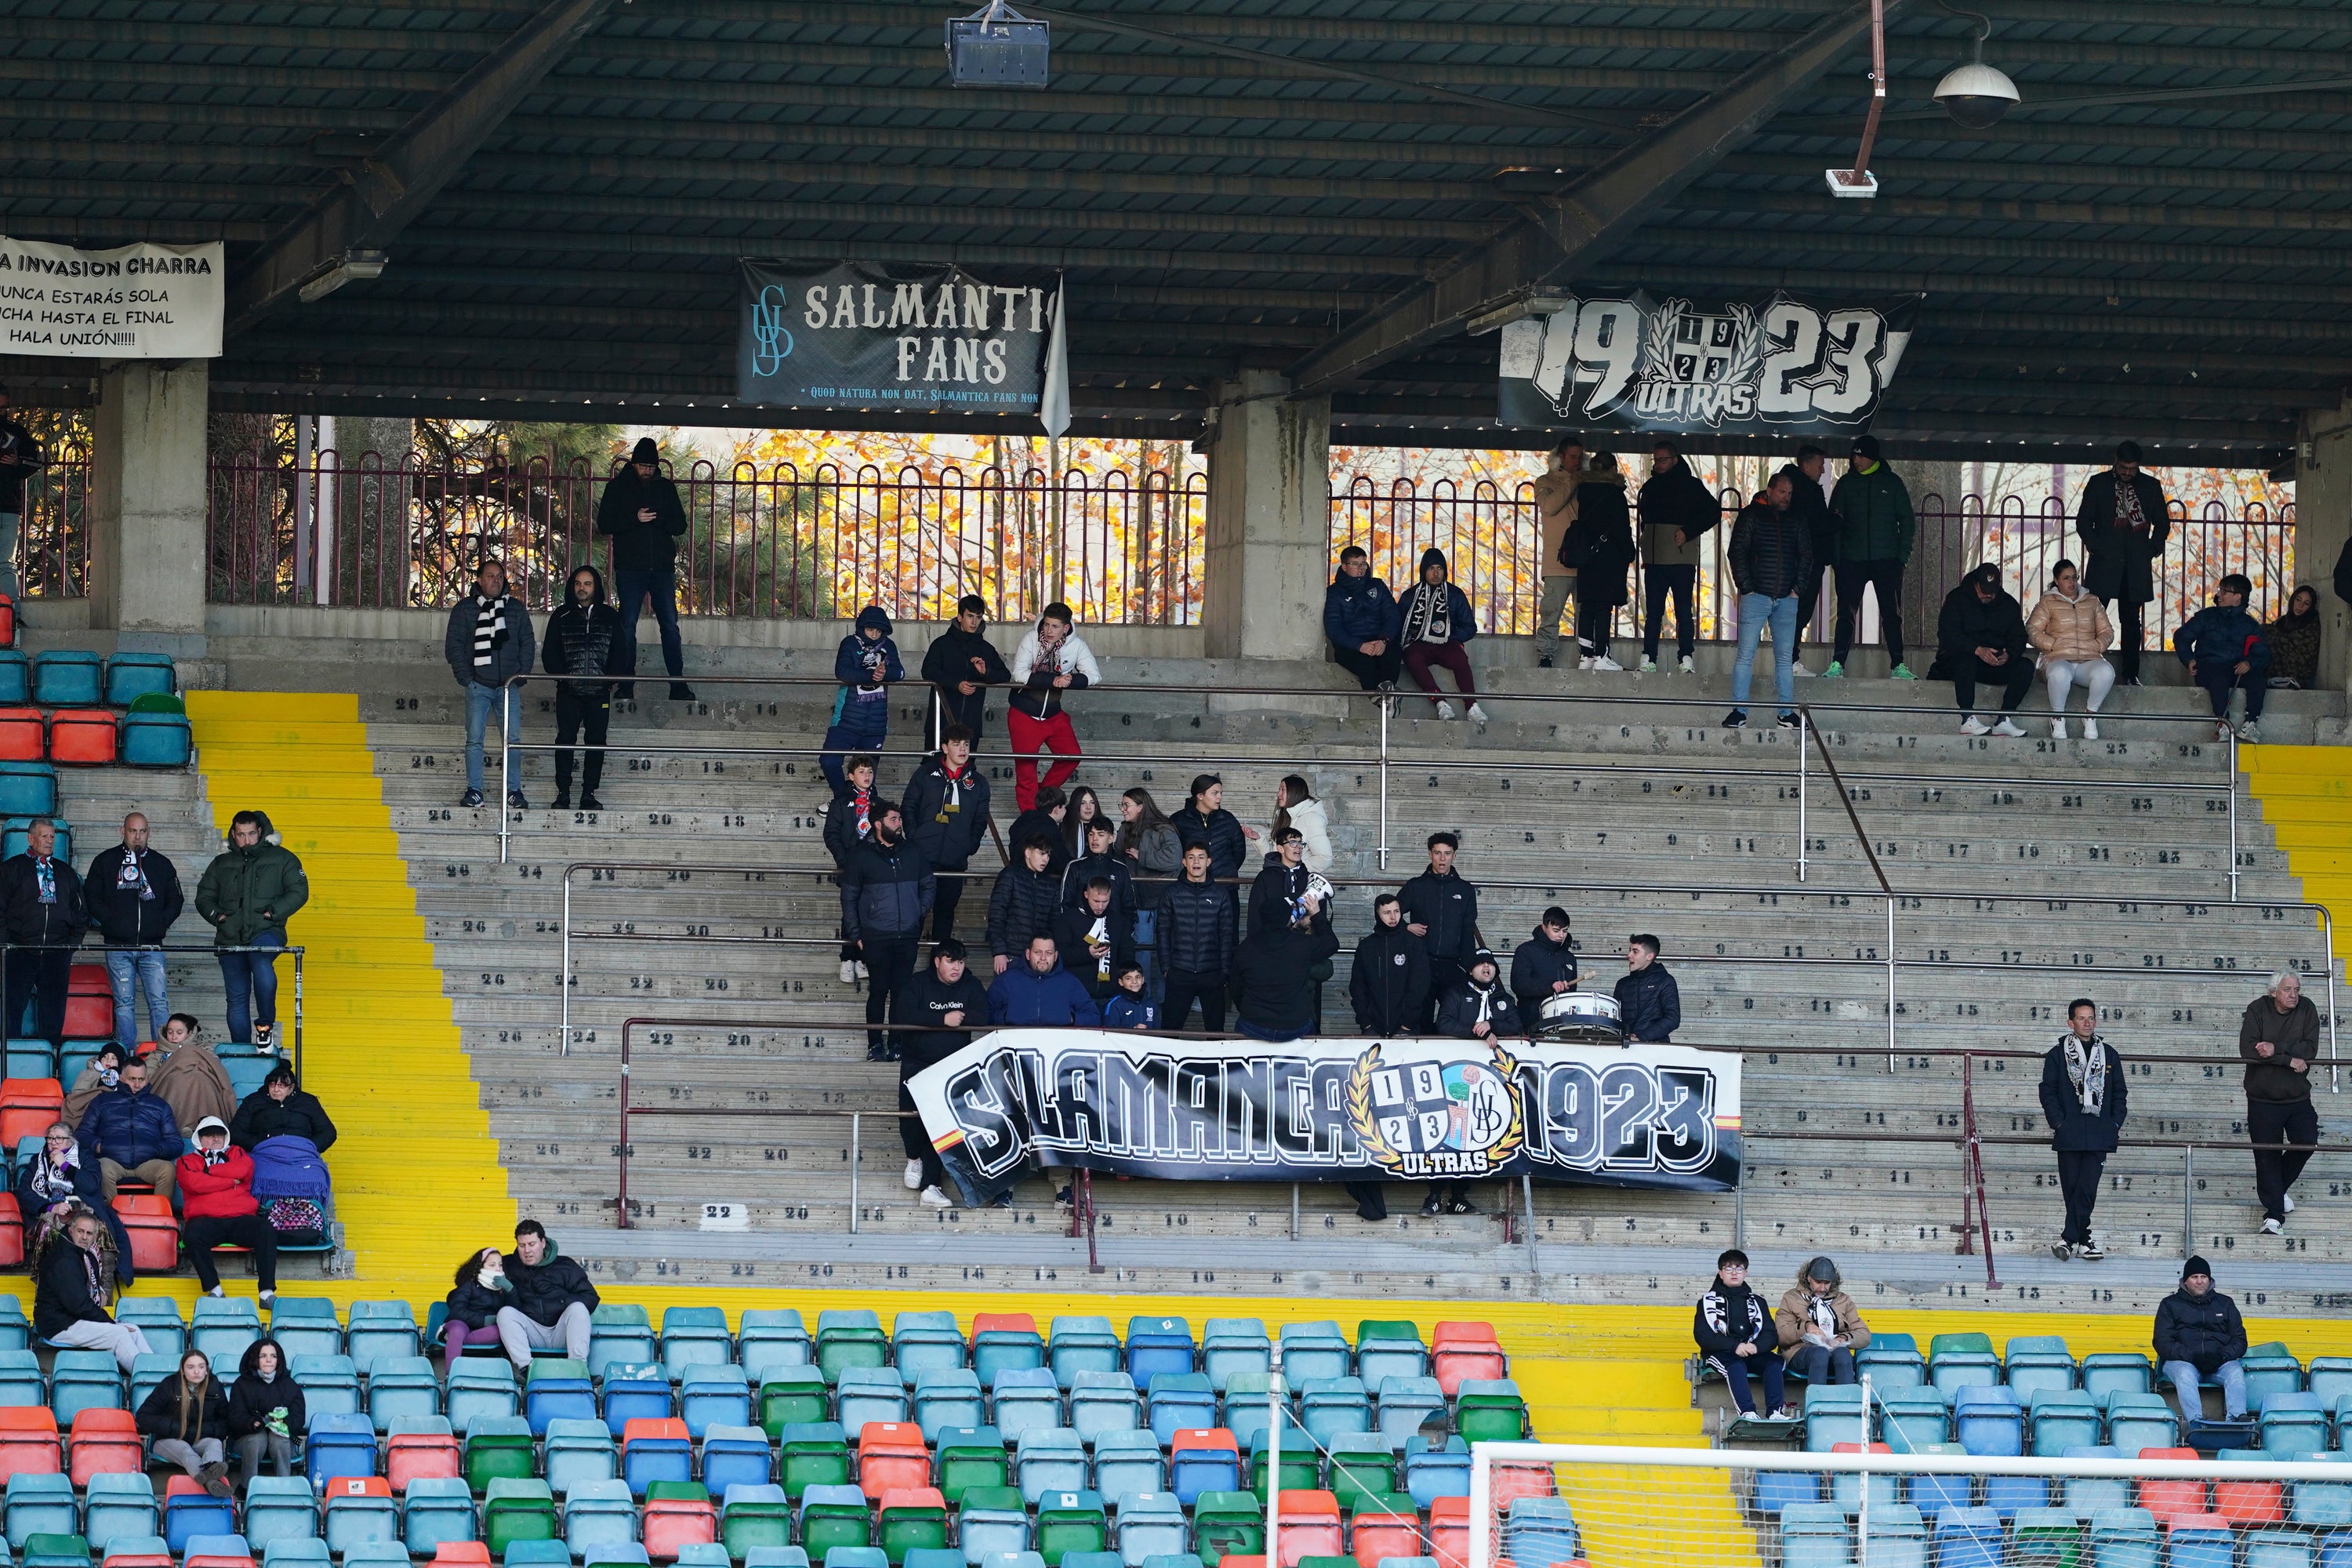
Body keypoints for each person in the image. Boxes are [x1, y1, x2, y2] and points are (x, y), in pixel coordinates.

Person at [196, 808, 309, 1051]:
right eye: (240, 834)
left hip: (267, 931)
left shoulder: (283, 858)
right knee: (236, 999)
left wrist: (274, 913)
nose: (246, 840)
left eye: (251, 834)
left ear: (260, 832)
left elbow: (300, 891)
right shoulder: (222, 862)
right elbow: (204, 896)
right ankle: (241, 1051)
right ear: (233, 834)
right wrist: (219, 917)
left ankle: (265, 1028)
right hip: (230, 936)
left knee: (261, 962)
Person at [891, 938, 990, 1210]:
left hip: (951, 1068)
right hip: (916, 1063)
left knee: (941, 1126)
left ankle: (930, 1186)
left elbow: (984, 1014)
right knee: (910, 1120)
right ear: (937, 962)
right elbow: (903, 1014)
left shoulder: (970, 984)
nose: (956, 968)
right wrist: (942, 1020)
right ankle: (914, 1158)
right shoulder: (918, 983)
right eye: (950, 961)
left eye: (960, 962)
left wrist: (962, 1018)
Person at [595, 437, 694, 702]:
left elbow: (680, 525)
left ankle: (678, 683)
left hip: (662, 568)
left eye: (651, 466)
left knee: (670, 626)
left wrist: (658, 519)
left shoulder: (665, 488)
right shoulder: (618, 488)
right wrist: (634, 519)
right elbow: (604, 523)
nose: (647, 471)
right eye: (642, 466)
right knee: (626, 624)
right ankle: (626, 683)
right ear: (633, 464)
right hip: (630, 568)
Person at [840, 801, 933, 1063]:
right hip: (876, 936)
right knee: (879, 991)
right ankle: (875, 1046)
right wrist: (856, 933)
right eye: (894, 819)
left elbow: (928, 885)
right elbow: (848, 897)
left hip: (907, 934)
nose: (899, 823)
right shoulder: (861, 855)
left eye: (900, 819)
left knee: (902, 992)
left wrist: (919, 910)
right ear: (878, 824)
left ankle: (896, 1043)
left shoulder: (913, 852)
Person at [1722, 470, 1814, 730]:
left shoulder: (1796, 517)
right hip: (1757, 596)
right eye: (1783, 492)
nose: (1787, 498)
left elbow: (1807, 555)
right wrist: (1747, 588)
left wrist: (1797, 589)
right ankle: (1739, 712)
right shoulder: (1751, 515)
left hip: (1786, 598)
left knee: (1784, 659)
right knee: (1746, 656)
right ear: (1770, 490)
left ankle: (1785, 713)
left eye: (1790, 493)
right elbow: (1736, 553)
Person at [2074, 442, 2172, 687]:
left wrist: (2151, 549)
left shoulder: (2150, 486)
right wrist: (2097, 547)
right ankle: (2085, 668)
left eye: (2132, 468)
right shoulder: (2099, 483)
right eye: (2123, 468)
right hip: (2104, 564)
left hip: (2136, 566)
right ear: (2115, 462)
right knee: (2093, 618)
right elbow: (2084, 521)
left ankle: (2130, 675)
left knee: (2131, 622)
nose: (2128, 473)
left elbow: (2163, 523)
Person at [442, 557, 536, 811]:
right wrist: (467, 679)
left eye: (499, 576)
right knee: (474, 739)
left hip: (509, 686)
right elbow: (453, 646)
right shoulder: (464, 610)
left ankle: (514, 791)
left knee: (513, 739)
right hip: (478, 686)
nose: (496, 580)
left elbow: (528, 641)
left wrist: (521, 675)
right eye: (490, 576)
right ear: (479, 580)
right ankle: (474, 790)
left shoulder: (515, 609)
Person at [85, 811, 182, 1049]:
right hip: (118, 945)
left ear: (149, 832)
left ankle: (161, 1055)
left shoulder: (162, 863)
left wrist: (161, 923)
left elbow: (176, 900)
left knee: (159, 1003)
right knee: (124, 1004)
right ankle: (126, 1057)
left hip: (152, 946)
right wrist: (111, 921)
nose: (138, 837)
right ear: (123, 831)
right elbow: (91, 896)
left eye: (142, 831)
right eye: (132, 831)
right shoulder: (105, 861)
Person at [1824, 434, 1917, 680]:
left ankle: (1898, 665)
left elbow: (1907, 520)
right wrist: (1837, 559)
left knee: (1892, 615)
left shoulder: (1893, 483)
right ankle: (1837, 665)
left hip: (1887, 559)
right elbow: (1833, 522)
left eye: (1862, 455)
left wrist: (1902, 557)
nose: (1857, 460)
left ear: (1873, 457)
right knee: (1846, 613)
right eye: (1854, 455)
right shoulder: (1845, 484)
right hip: (1851, 560)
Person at [2040, 999, 2127, 1261]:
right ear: (2071, 1022)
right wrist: (2059, 1123)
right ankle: (2085, 1240)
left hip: (2100, 1132)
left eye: (2091, 1018)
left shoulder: (2109, 1053)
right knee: (2072, 1189)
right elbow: (2048, 1091)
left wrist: (2114, 1123)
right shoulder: (2057, 1054)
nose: (2087, 1023)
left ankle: (2068, 1240)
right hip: (2070, 1132)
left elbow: (2120, 1092)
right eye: (2081, 1018)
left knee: (2087, 1188)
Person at [2239, 971, 2318, 1235]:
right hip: (2262, 1099)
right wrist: (2286, 1059)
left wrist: (2275, 1049)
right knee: (2266, 1157)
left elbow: (2310, 1049)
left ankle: (2276, 1192)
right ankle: (2274, 1216)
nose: (2294, 995)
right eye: (2287, 990)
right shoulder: (2257, 1009)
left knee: (2307, 1142)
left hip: (2297, 1097)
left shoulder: (2307, 1008)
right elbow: (2248, 1050)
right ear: (2274, 992)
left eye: (2297, 989)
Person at [1, 816, 86, 1050]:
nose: (49, 841)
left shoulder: (65, 872)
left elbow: (81, 912)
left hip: (56, 954)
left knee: (53, 1012)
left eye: (52, 836)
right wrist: (6, 943)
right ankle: (13, 1060)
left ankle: (50, 1062)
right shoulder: (11, 869)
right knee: (12, 1010)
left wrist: (71, 945)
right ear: (30, 838)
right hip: (19, 951)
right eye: (44, 836)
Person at [33, 1203, 152, 1370]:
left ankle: (157, 1373)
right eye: (80, 1231)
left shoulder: (81, 1255)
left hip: (73, 1319)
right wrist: (111, 1323)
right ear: (71, 1231)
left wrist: (110, 1323)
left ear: (95, 1237)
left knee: (134, 1330)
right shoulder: (64, 1260)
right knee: (119, 1334)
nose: (84, 1237)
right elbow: (79, 1306)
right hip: (59, 1325)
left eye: (89, 1234)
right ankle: (148, 1380)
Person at [541, 563, 620, 811]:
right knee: (565, 741)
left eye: (587, 583)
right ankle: (563, 793)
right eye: (577, 583)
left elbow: (622, 653)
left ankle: (589, 793)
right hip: (569, 693)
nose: (581, 588)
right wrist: (563, 678)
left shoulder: (610, 616)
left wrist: (609, 680)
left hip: (599, 693)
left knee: (596, 742)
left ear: (596, 587)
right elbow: (549, 654)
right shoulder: (560, 616)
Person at [1006, 602, 1099, 811]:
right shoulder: (1031, 638)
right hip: (1024, 713)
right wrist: (1053, 680)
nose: (1048, 631)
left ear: (1066, 628)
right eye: (1046, 625)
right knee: (1026, 768)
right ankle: (1031, 816)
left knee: (1071, 756)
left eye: (1055, 626)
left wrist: (1070, 681)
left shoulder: (1077, 645)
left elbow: (1094, 675)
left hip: (1053, 714)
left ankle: (1042, 796)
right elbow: (1019, 674)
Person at [902, 725, 991, 943]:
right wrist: (915, 836)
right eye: (956, 744)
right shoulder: (925, 774)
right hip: (923, 858)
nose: (962, 749)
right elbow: (908, 806)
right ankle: (907, 966)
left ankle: (938, 969)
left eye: (966, 745)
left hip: (955, 860)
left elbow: (980, 820)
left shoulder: (978, 783)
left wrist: (969, 845)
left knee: (945, 915)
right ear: (944, 747)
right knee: (916, 913)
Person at [16, 1121, 132, 1285]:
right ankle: (49, 1283)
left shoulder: (85, 1158)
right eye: (49, 1138)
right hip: (51, 1213)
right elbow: (23, 1192)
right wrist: (51, 1207)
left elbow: (91, 1185)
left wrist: (65, 1165)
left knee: (99, 1228)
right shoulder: (38, 1161)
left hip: (84, 1210)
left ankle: (101, 1286)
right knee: (49, 1230)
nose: (53, 1143)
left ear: (70, 1141)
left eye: (59, 1139)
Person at [176, 1116, 278, 1303]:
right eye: (209, 1136)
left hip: (241, 1217)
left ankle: (266, 1293)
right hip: (205, 1220)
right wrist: (231, 1181)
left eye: (219, 1135)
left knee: (266, 1230)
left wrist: (210, 1172)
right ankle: (215, 1289)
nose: (215, 1139)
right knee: (192, 1236)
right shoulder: (186, 1161)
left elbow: (244, 1170)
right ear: (199, 1139)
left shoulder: (237, 1152)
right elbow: (195, 1183)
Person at [1638, 437, 1715, 675]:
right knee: (1653, 612)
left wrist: (1688, 531)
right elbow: (1645, 523)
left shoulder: (1691, 485)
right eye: (1656, 460)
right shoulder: (1650, 487)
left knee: (1683, 611)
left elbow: (1713, 511)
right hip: (1654, 560)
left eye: (1663, 460)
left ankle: (1686, 656)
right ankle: (1649, 656)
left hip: (1681, 559)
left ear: (1675, 459)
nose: (1658, 464)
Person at [1933, 563, 2033, 736]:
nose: (1987, 595)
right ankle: (1967, 718)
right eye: (1983, 590)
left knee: (2025, 666)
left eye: (1992, 591)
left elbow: (2019, 637)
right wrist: (1976, 649)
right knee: (1966, 660)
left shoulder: (2008, 604)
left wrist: (2009, 654)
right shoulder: (1957, 599)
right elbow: (1948, 635)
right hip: (1959, 662)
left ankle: (2004, 719)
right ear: (1975, 584)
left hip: (1993, 664)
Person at [1693, 1248, 1791, 1420]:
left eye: (1739, 1269)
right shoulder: (1707, 1301)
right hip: (1722, 1353)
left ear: (1745, 1273)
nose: (1734, 1273)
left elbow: (1770, 1334)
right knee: (1736, 1366)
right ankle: (1748, 1412)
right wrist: (1734, 1346)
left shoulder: (1758, 1302)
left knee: (1774, 1362)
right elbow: (1703, 1336)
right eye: (1728, 1268)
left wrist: (1756, 1346)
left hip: (1752, 1352)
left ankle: (1775, 1412)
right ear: (1720, 1273)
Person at [1559, 449, 1635, 671]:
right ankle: (1602, 655)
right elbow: (1621, 528)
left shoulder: (1584, 491)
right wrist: (1629, 552)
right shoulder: (1615, 494)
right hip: (1608, 557)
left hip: (1587, 555)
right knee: (1604, 606)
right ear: (1613, 469)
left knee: (1588, 605)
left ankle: (1586, 656)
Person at [1229, 889, 1338, 1042]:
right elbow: (1332, 944)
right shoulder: (1302, 944)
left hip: (1253, 1024)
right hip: (1295, 1025)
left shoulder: (1245, 948)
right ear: (1288, 918)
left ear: (1262, 917)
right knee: (1313, 1036)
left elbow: (1235, 987)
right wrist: (1316, 914)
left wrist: (1249, 1011)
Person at [2025, 560, 2116, 741]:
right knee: (2060, 673)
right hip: (2056, 659)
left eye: (2074, 577)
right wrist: (2052, 644)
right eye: (2066, 578)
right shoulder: (2047, 602)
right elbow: (2031, 630)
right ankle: (2057, 717)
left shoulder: (2092, 601)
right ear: (2057, 580)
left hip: (2088, 660)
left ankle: (2090, 715)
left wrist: (2098, 646)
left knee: (2107, 672)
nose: (2072, 582)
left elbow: (2107, 632)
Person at [1398, 833, 1480, 1030]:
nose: (1442, 859)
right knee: (1419, 1019)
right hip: (1422, 963)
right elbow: (1388, 913)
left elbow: (1468, 930)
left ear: (1454, 856)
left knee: (1453, 1020)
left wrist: (1469, 966)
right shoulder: (1416, 886)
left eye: (1447, 853)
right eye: (1437, 853)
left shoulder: (1466, 889)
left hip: (1453, 966)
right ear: (1430, 855)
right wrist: (1405, 927)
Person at [2175, 573, 2270, 742]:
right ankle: (2223, 724)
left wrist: (2249, 663)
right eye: (2220, 590)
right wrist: (2189, 659)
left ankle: (2250, 724)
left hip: (2238, 669)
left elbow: (2263, 653)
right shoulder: (2206, 617)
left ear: (2237, 597)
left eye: (2224, 591)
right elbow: (2182, 637)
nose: (2218, 594)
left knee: (2258, 678)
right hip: (2209, 667)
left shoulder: (2250, 625)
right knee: (2218, 677)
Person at [1394, 548, 1486, 721]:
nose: (1436, 573)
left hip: (1448, 644)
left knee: (1460, 659)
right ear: (1423, 571)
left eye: (1440, 568)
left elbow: (1470, 627)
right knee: (1412, 658)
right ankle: (1440, 703)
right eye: (1431, 569)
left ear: (1445, 570)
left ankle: (1472, 706)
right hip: (1420, 645)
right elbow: (1398, 627)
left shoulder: (1455, 594)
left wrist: (1449, 637)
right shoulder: (1410, 596)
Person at [2154, 1256, 2248, 1424]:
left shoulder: (2225, 1303)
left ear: (2209, 1280)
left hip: (2219, 1362)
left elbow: (2240, 1340)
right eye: (2194, 1277)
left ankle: (2237, 1421)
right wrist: (2193, 1357)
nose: (2199, 1281)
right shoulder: (2170, 1304)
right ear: (2185, 1281)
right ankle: (2196, 1423)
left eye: (2203, 1277)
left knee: (2235, 1372)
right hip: (2182, 1362)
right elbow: (2162, 1342)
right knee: (2185, 1375)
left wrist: (2222, 1357)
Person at [822, 606, 905, 796]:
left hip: (876, 724)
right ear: (861, 628)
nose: (875, 634)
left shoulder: (889, 646)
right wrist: (871, 675)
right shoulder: (850, 643)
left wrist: (885, 673)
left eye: (878, 631)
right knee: (829, 761)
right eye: (870, 630)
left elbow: (900, 672)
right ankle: (843, 799)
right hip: (845, 721)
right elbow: (842, 672)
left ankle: (866, 806)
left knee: (867, 773)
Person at [76, 1054, 181, 1200]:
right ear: (121, 1078)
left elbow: (176, 1143)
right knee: (101, 1168)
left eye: (141, 1079)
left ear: (147, 1079)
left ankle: (159, 1218)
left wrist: (155, 1149)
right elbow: (82, 1135)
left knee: (168, 1170)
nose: (137, 1085)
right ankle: (109, 1218)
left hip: (147, 1163)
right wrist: (100, 1146)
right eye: (132, 1079)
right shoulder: (102, 1101)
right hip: (112, 1161)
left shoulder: (159, 1105)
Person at [499, 1220, 598, 1370]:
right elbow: (474, 1277)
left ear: (543, 1243)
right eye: (522, 1245)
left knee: (578, 1308)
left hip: (561, 1331)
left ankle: (578, 1368)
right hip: (530, 1333)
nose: (527, 1251)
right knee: (505, 1313)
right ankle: (526, 1369)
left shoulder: (565, 1265)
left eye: (532, 1244)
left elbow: (590, 1297)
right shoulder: (508, 1265)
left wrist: (561, 1303)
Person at [136, 1349, 234, 1497]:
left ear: (207, 1370)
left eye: (201, 1367)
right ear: (182, 1370)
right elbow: (143, 1417)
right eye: (191, 1367)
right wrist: (174, 1428)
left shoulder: (215, 1387)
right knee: (184, 1450)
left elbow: (226, 1422)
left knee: (215, 1443)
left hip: (199, 1439)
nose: (197, 1372)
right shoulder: (169, 1385)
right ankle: (211, 1483)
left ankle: (211, 1472)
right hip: (168, 1440)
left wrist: (204, 1431)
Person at [1159, 844, 1235, 1034]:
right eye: (1191, 857)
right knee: (1169, 1032)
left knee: (1215, 1032)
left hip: (1212, 973)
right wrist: (1167, 969)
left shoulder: (1221, 894)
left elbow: (1227, 935)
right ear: (1184, 862)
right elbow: (1162, 933)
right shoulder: (1171, 893)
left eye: (1201, 857)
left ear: (1209, 862)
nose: (1196, 862)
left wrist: (1224, 971)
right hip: (1179, 972)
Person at [1116, 788, 1183, 993]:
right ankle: (1141, 996)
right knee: (1141, 952)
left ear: (1141, 806)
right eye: (1122, 805)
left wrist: (1142, 855)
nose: (1123, 810)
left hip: (1161, 900)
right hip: (1137, 902)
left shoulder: (1164, 829)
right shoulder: (1125, 829)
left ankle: (1163, 1000)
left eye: (1126, 805)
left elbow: (1174, 860)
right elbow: (1118, 858)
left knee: (1164, 952)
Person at [923, 594, 1011, 747]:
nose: (974, 622)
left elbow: (1005, 675)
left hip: (971, 725)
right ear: (959, 617)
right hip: (940, 722)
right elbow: (928, 670)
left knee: (967, 767)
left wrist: (985, 672)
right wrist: (956, 684)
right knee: (934, 765)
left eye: (978, 617)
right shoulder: (942, 644)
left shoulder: (986, 649)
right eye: (970, 616)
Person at [825, 753, 883, 984]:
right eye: (861, 772)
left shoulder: (878, 803)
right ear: (851, 776)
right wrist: (844, 860)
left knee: (869, 912)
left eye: (870, 772)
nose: (867, 776)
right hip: (850, 865)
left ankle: (862, 957)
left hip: (874, 867)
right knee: (850, 911)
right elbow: (831, 834)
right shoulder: (840, 802)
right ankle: (847, 958)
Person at [1780, 445, 1837, 675]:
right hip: (1807, 561)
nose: (1823, 470)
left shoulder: (1795, 488)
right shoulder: (1807, 491)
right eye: (1820, 464)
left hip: (1798, 560)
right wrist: (1837, 520)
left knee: (1795, 612)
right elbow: (1818, 524)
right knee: (1800, 612)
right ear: (1805, 465)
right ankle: (1790, 660)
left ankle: (1789, 659)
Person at [1531, 435, 1584, 669]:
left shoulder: (1586, 482)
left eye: (1581, 457)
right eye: (1573, 456)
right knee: (1551, 612)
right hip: (1557, 562)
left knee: (1586, 615)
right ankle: (1546, 655)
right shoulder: (1545, 481)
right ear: (1560, 457)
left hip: (1584, 560)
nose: (1578, 461)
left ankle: (1587, 656)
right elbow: (1550, 506)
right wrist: (1573, 481)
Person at [1774, 1257, 1870, 1387]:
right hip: (1800, 1354)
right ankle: (1817, 1402)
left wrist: (1843, 1337)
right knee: (1820, 1353)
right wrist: (1805, 1327)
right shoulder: (1791, 1298)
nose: (1823, 1288)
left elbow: (1864, 1334)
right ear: (1808, 1278)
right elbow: (1780, 1335)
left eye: (1827, 1283)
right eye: (1818, 1282)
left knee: (1843, 1353)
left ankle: (1847, 1403)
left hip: (1834, 1355)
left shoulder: (1843, 1301)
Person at [227, 1338, 306, 1483]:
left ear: (279, 1360)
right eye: (263, 1356)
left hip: (282, 1438)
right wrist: (252, 1423)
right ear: (254, 1359)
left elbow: (299, 1417)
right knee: (257, 1439)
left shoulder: (290, 1385)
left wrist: (284, 1423)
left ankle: (284, 1487)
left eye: (273, 1356)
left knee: (279, 1440)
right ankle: (248, 1489)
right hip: (247, 1438)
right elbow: (234, 1416)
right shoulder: (241, 1384)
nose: (269, 1360)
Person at [1351, 895, 1428, 1039]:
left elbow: (1419, 987)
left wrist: (1407, 1026)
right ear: (1378, 915)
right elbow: (1358, 987)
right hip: (1373, 1031)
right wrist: (1366, 1024)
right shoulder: (1366, 946)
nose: (1393, 917)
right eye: (1387, 913)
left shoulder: (1414, 944)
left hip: (1408, 1031)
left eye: (1397, 911)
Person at [1324, 546, 1402, 691]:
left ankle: (1386, 695)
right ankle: (1386, 699)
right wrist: (1360, 645)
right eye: (1355, 564)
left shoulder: (1378, 586)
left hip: (1380, 641)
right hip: (1351, 646)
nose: (1360, 568)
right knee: (1365, 665)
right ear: (1344, 567)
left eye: (1363, 563)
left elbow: (1393, 616)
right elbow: (1333, 628)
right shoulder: (1334, 593)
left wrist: (1384, 641)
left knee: (1393, 653)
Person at [986, 836, 1064, 978]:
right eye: (1041, 853)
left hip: (1038, 957)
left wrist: (1048, 954)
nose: (1046, 859)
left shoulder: (1051, 885)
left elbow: (1055, 923)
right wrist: (999, 952)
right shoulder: (1010, 875)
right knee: (1007, 997)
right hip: (1011, 954)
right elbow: (996, 914)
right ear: (1028, 853)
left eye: (1048, 855)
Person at [150, 1013, 237, 1137]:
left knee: (200, 1078)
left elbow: (215, 1070)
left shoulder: (204, 1050)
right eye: (170, 1032)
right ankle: (178, 1127)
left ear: (190, 1033)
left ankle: (204, 1127)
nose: (174, 1037)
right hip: (172, 1089)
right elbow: (151, 1080)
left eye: (179, 1032)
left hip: (200, 1086)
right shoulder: (156, 1055)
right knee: (175, 1078)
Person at [986, 933, 1102, 1026]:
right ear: (1028, 954)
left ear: (1056, 956)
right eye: (1038, 952)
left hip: (1057, 1050)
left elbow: (1094, 1017)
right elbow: (985, 1013)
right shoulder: (1007, 980)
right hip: (1014, 1050)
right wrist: (1007, 1017)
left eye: (1049, 953)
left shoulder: (1070, 982)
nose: (1043, 958)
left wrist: (1070, 1018)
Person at [1052, 879, 1135, 1003]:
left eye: (1105, 901)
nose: (1100, 906)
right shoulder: (1069, 919)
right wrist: (1087, 954)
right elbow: (1060, 954)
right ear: (1086, 895)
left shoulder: (1119, 922)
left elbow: (1127, 957)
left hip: (1111, 994)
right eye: (1096, 901)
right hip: (1076, 993)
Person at [230, 1061, 338, 1152]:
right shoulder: (253, 1101)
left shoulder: (308, 1102)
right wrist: (261, 1145)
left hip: (301, 1156)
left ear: (291, 1087)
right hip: (263, 1154)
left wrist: (307, 1148)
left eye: (282, 1085)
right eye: (272, 1085)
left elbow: (328, 1133)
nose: (276, 1089)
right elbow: (235, 1132)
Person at [0, 387, 45, 604]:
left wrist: (18, 462)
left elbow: (35, 462)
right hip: (8, 507)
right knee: (5, 564)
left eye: (3, 407)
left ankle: (9, 618)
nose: (2, 411)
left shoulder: (17, 432)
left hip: (7, 508)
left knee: (5, 564)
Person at [1173, 775, 1253, 889]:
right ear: (1200, 796)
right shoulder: (1179, 820)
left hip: (1225, 885)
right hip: (1190, 887)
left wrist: (1226, 870)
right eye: (1215, 793)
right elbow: (1174, 853)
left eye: (1221, 793)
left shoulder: (1228, 819)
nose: (1219, 797)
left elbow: (1239, 852)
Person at [442, 1247, 510, 1364]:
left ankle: (456, 1341)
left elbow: (513, 1313)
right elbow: (457, 1312)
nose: (498, 1269)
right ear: (481, 1266)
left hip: (484, 1331)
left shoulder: (503, 1288)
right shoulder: (469, 1285)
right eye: (492, 1265)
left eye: (500, 1265)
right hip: (461, 1323)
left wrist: (511, 1290)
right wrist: (484, 1320)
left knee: (503, 1331)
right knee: (457, 1331)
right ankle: (451, 1376)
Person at [1435, 949, 1519, 1042]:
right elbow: (1444, 1024)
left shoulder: (1506, 999)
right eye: (1480, 963)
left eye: (1490, 963)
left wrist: (1491, 1025)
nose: (1486, 965)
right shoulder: (1456, 994)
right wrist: (1478, 1033)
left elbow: (1516, 1026)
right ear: (1470, 971)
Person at [1511, 907, 1578, 1025]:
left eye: (1565, 931)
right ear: (1544, 928)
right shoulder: (1526, 950)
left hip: (1563, 1023)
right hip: (1532, 1022)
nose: (1561, 935)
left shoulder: (1569, 958)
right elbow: (1519, 984)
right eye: (1556, 931)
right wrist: (1550, 987)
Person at [1061, 814, 1135, 920]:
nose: (1095, 839)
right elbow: (1065, 903)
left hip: (1113, 932)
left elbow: (1129, 907)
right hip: (1080, 932)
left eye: (1100, 835)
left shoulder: (1121, 869)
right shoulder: (1075, 867)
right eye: (1091, 834)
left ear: (1111, 839)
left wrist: (1123, 932)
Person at [1247, 826, 1314, 940]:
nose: (1298, 847)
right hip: (1271, 941)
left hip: (1302, 943)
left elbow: (1318, 912)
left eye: (1301, 843)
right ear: (1280, 848)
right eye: (1293, 842)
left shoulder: (1308, 877)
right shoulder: (1266, 877)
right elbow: (1255, 914)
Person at [1615, 935, 1680, 1043]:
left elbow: (1673, 1019)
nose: (1629, 955)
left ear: (1649, 956)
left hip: (1655, 1049)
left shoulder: (1665, 981)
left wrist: (1641, 1038)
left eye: (1635, 951)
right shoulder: (1622, 984)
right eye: (1630, 950)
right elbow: (1615, 1018)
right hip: (1625, 1047)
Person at [1266, 775, 1333, 876]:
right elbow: (1278, 855)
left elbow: (1324, 858)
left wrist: (1296, 872)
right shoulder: (1287, 817)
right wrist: (1258, 840)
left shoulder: (1313, 819)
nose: (1278, 794)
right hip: (1282, 882)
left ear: (1294, 792)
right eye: (1279, 789)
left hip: (1300, 886)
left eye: (1283, 790)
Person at [1006, 785, 1072, 882]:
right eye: (1064, 808)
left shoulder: (1023, 820)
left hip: (1015, 875)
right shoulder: (1050, 828)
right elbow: (1061, 862)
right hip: (1036, 880)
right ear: (1057, 809)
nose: (1066, 811)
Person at [2265, 584, 2322, 689]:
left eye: (2306, 603)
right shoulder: (2284, 620)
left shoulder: (2311, 623)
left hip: (2298, 671)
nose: (2300, 606)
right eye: (2298, 600)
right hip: (2278, 665)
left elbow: (2303, 652)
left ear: (2311, 607)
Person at [64, 1042, 129, 1127]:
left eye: (114, 1058)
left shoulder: (123, 1077)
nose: (108, 1060)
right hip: (90, 1114)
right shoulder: (88, 1074)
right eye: (105, 1057)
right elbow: (78, 1096)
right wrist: (101, 1090)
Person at [1103, 964, 1157, 1030]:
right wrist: (1132, 1031)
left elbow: (1158, 1032)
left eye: (1138, 977)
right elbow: (1108, 1034)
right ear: (1121, 982)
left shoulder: (1151, 1003)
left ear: (1143, 979)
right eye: (1128, 978)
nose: (1134, 982)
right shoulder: (1114, 1005)